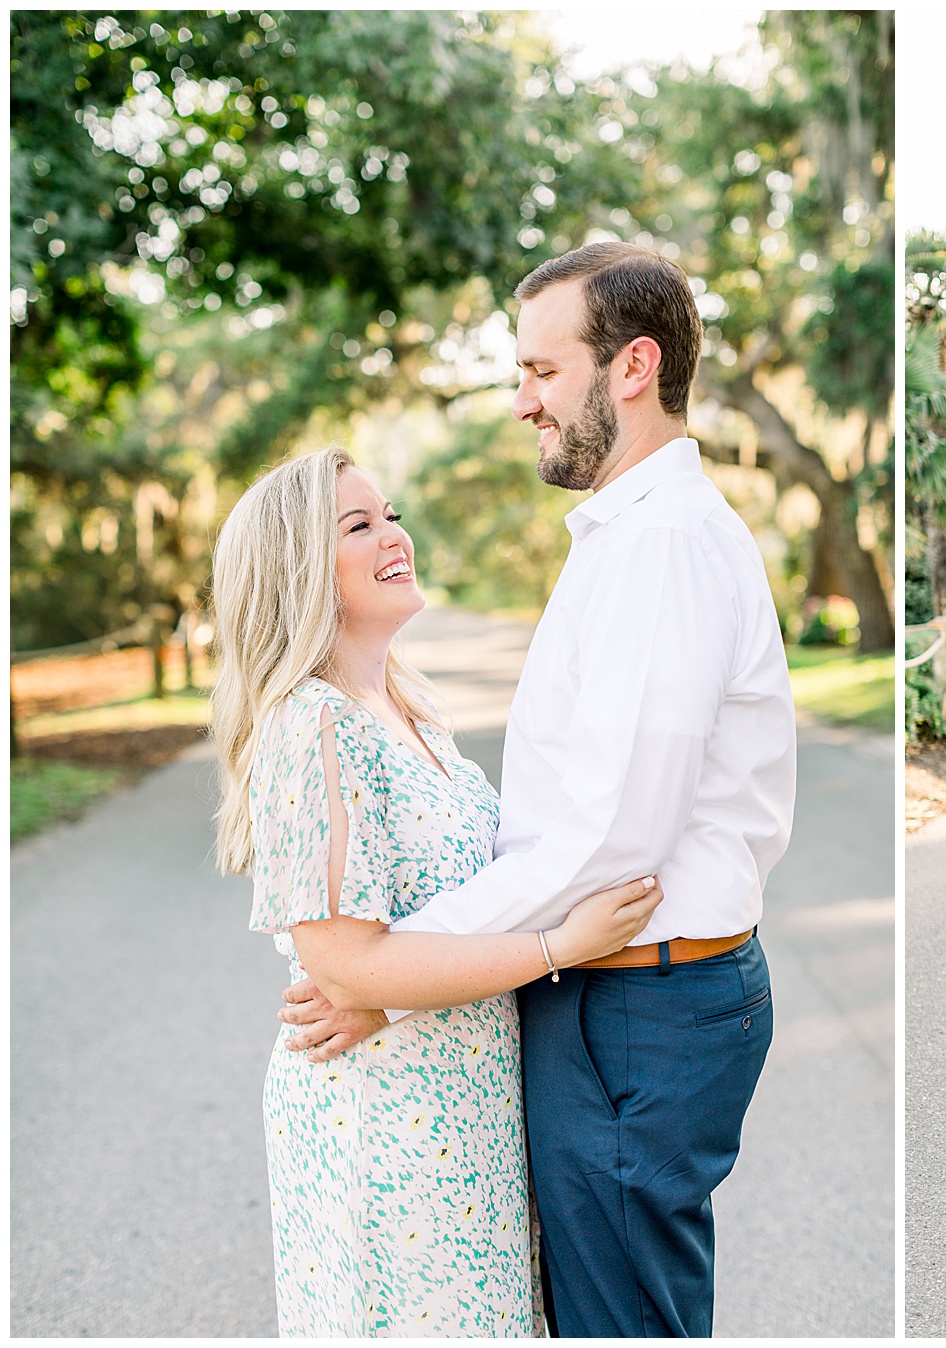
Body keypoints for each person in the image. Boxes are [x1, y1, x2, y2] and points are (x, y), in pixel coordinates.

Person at [276, 242, 799, 1337]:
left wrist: (386, 976)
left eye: (543, 371)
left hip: (637, 1003)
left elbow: (607, 841)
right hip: (619, 996)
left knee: (623, 1322)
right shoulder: (626, 536)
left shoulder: (660, 545)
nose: (523, 402)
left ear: (633, 366)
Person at [211, 447, 664, 1336]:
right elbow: (345, 966)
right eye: (358, 524)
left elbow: (441, 922)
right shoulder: (311, 723)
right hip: (386, 1123)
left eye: (391, 514)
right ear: (301, 569)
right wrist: (560, 947)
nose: (394, 535)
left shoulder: (408, 711)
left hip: (464, 1107)